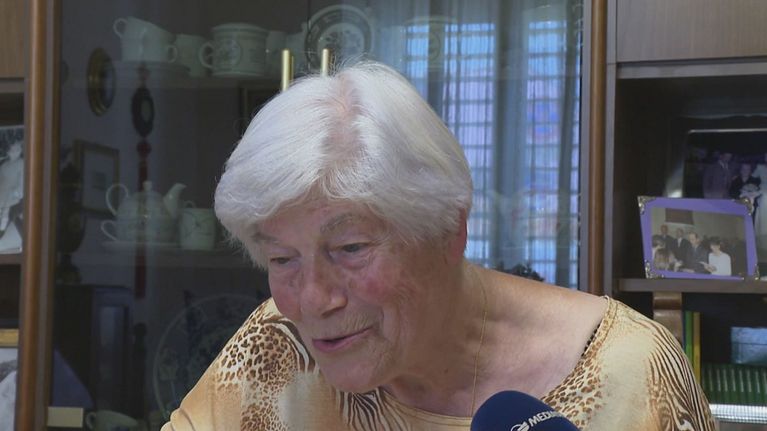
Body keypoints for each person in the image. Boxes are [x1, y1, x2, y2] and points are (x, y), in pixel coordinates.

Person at [162, 62, 715, 430]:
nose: (312, 300)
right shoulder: (278, 347)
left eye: (350, 248)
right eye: (283, 259)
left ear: (450, 230)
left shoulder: (629, 371)